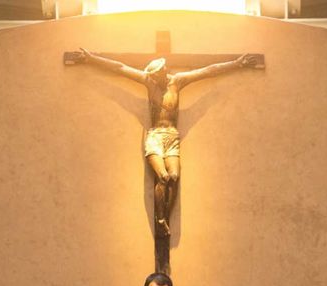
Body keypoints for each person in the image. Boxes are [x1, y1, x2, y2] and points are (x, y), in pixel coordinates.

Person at [75, 49, 258, 237]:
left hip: (171, 136)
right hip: (155, 136)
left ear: (164, 71)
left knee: (174, 176)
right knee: (162, 177)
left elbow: (208, 71)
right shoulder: (148, 81)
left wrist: (237, 63)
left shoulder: (177, 82)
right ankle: (161, 219)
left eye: (159, 74)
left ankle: (165, 216)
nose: (156, 78)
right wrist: (91, 59)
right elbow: (120, 68)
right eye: (154, 76)